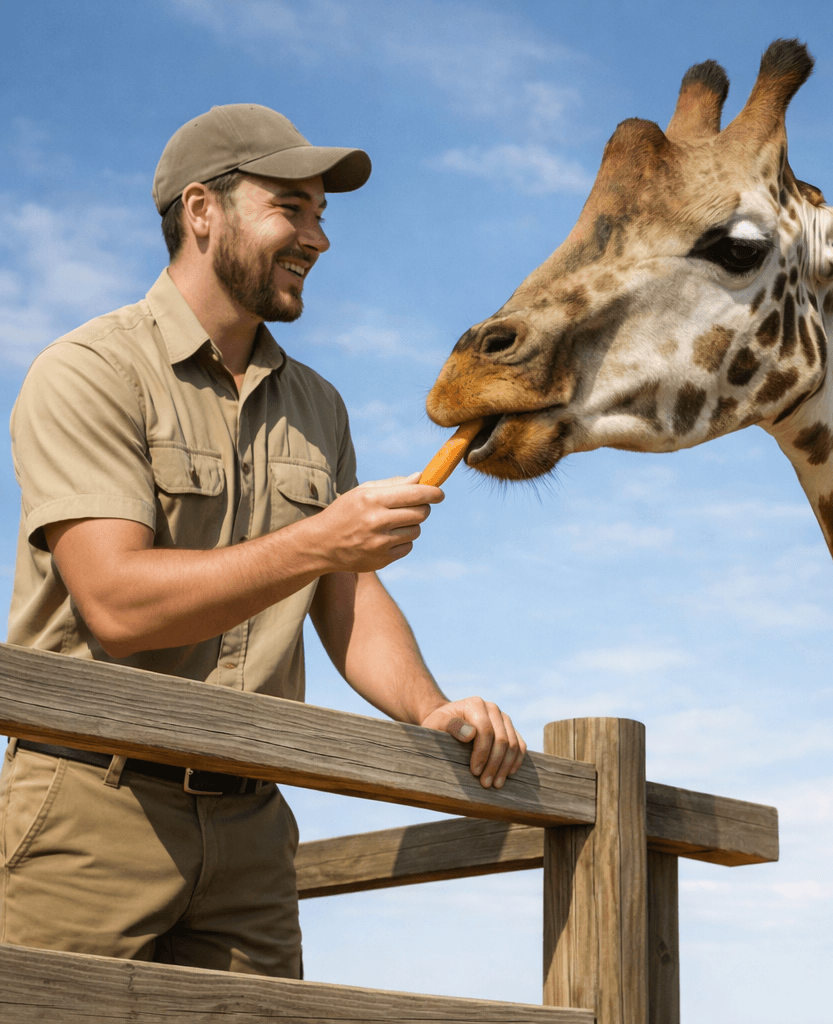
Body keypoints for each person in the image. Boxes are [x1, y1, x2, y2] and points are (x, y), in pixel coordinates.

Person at [0, 104, 526, 977]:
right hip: (88, 808)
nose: (318, 238)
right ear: (202, 210)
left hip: (253, 828)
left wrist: (431, 711)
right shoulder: (87, 371)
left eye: (322, 215)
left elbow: (345, 591)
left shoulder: (319, 405)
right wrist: (321, 540)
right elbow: (118, 605)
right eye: (292, 208)